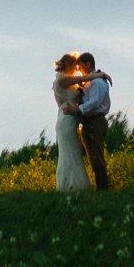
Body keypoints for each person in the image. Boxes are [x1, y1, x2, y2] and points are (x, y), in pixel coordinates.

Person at [76, 52, 113, 190]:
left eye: (80, 67)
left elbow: (95, 102)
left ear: (88, 64)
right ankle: (101, 187)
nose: (80, 70)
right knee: (93, 156)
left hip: (95, 121)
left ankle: (103, 188)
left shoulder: (97, 82)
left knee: (96, 156)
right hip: (90, 121)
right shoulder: (92, 81)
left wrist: (80, 108)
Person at [52, 54, 89, 192]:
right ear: (70, 65)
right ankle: (76, 185)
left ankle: (67, 185)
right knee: (71, 152)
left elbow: (61, 104)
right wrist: (100, 75)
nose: (77, 68)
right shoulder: (63, 79)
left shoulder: (60, 81)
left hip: (65, 116)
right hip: (66, 119)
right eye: (75, 65)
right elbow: (84, 78)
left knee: (70, 152)